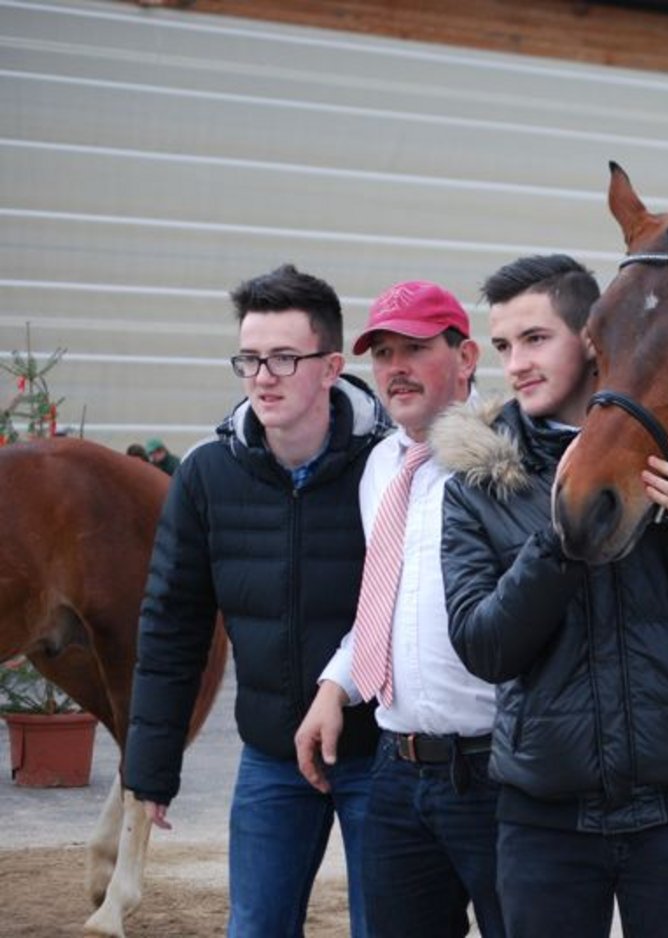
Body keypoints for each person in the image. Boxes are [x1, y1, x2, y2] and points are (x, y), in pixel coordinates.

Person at [435, 254, 668, 937]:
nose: (516, 364)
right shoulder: (478, 488)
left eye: (536, 339)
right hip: (544, 827)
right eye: (505, 346)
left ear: (596, 340)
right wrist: (561, 539)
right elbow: (485, 646)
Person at [125, 263, 391, 937]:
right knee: (254, 928)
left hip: (380, 756)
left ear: (331, 367)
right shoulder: (208, 476)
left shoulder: (389, 466)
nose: (262, 376)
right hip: (272, 756)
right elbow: (172, 625)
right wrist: (151, 769)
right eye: (249, 358)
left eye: (283, 357)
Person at [294, 280, 504, 937]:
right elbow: (388, 602)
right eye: (382, 353)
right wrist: (335, 685)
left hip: (499, 772)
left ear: (466, 357)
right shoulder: (382, 466)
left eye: (414, 347)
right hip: (397, 771)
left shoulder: (509, 463)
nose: (394, 368)